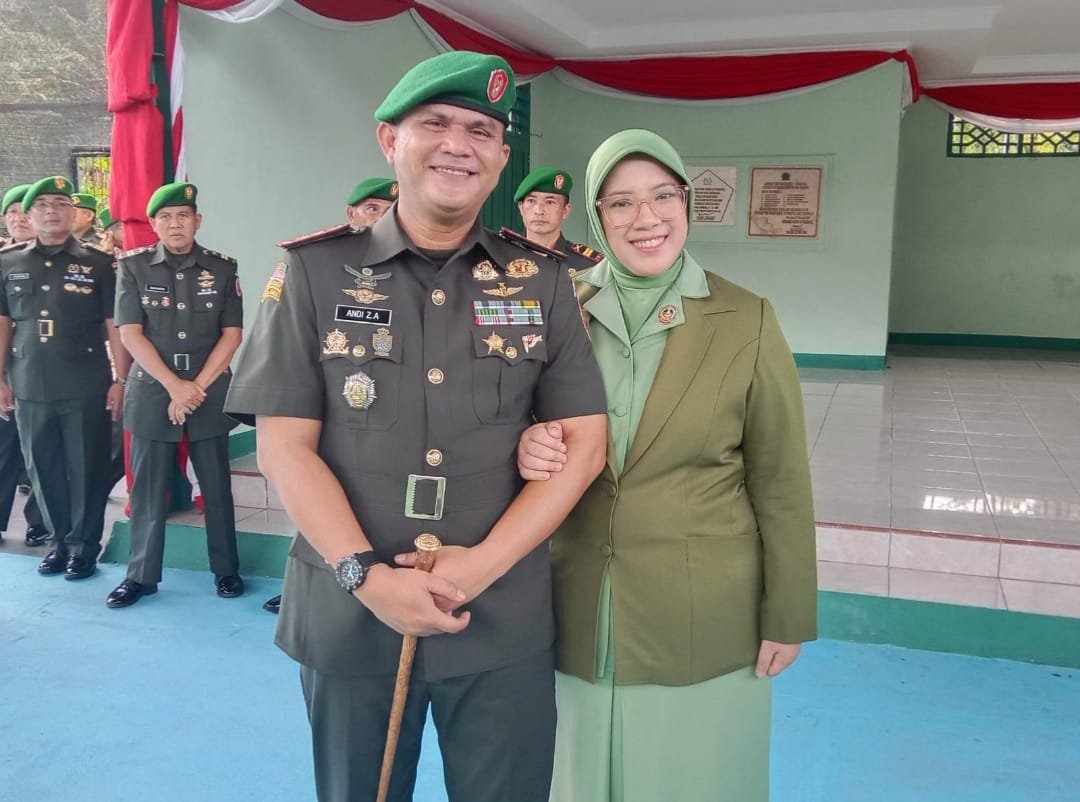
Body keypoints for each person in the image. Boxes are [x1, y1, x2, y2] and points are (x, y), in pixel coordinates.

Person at [226, 51, 607, 802]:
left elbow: (584, 445)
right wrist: (364, 576)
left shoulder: (541, 281)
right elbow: (284, 447)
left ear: (500, 158)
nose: (458, 145)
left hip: (498, 617)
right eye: (435, 124)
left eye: (480, 131)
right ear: (389, 140)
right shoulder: (313, 273)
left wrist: (482, 567)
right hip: (350, 614)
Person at [516, 129, 818, 802]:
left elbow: (781, 482)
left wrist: (788, 612)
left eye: (662, 196)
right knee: (576, 776)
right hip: (573, 602)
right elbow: (507, 421)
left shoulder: (745, 319)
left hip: (703, 612)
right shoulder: (556, 307)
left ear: (687, 203)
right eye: (621, 203)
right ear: (596, 216)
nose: (645, 218)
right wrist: (524, 444)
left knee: (694, 778)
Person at [263, 175, 399, 616]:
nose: (382, 219)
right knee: (314, 517)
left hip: (386, 442)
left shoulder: (416, 278)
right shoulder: (315, 269)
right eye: (372, 209)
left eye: (390, 210)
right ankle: (305, 583)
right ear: (351, 214)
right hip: (322, 436)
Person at [105, 182, 245, 608]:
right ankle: (140, 576)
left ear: (197, 221)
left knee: (216, 488)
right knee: (147, 490)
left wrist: (194, 388)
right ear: (154, 224)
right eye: (165, 217)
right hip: (153, 391)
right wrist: (174, 386)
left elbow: (231, 335)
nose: (175, 224)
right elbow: (130, 334)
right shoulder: (133, 267)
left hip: (207, 391)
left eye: (183, 215)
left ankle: (227, 570)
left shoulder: (222, 268)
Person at [0, 176, 130, 580]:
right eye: (42, 205)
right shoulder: (8, 262)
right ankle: (58, 543)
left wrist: (121, 380)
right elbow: (3, 324)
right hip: (29, 382)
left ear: (73, 212)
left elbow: (114, 325)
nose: (51, 212)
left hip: (85, 382)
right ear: (29, 214)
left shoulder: (98, 263)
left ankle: (84, 547)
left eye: (60, 204)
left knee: (87, 467)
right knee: (43, 467)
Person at [0, 184, 49, 546]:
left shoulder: (57, 261)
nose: (17, 218)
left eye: (23, 210)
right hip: (7, 368)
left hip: (45, 368)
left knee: (44, 451)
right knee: (4, 448)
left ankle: (40, 520)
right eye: (11, 212)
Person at [514, 167, 603, 272]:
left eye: (550, 202)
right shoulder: (502, 256)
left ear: (565, 211)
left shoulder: (589, 265)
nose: (539, 211)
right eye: (531, 201)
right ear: (521, 208)